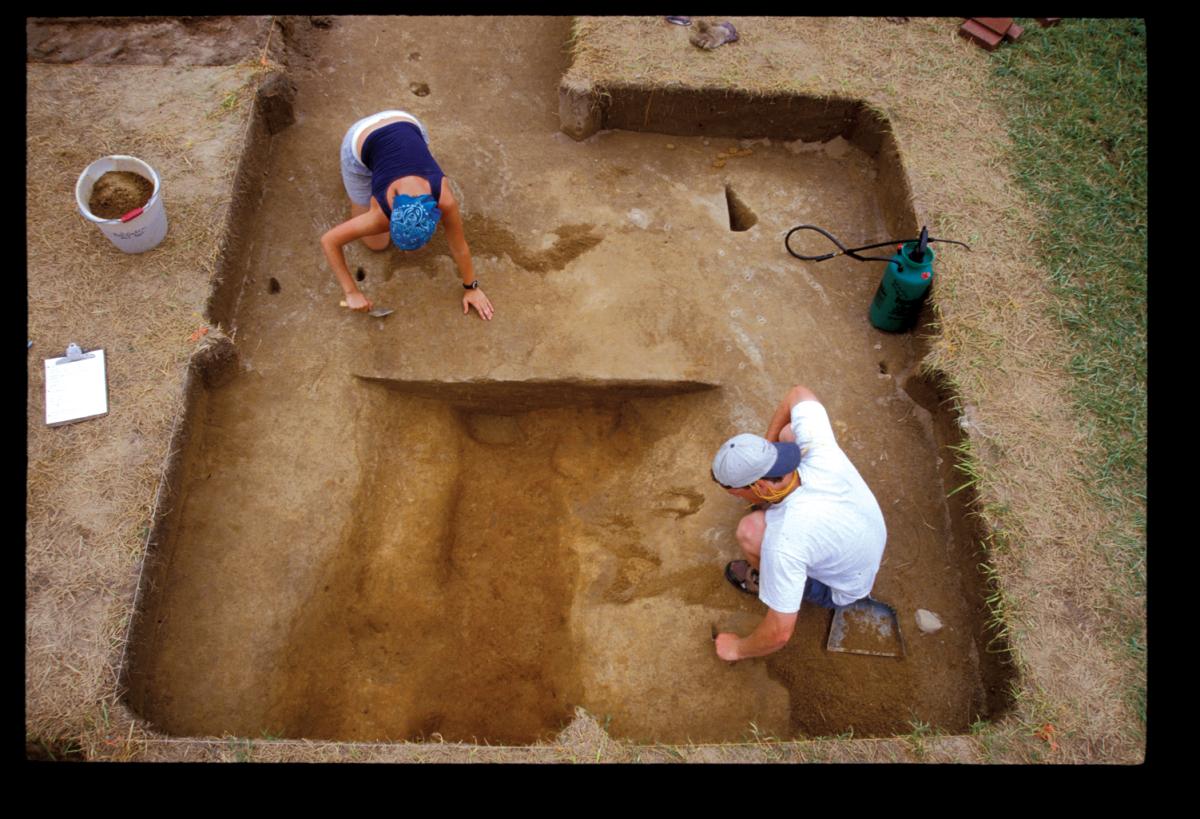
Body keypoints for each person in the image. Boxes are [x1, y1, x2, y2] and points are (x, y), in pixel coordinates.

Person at [709, 384, 887, 662]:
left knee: (750, 531)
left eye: (733, 490)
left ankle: (765, 581)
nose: (733, 494)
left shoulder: (786, 539)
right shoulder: (817, 448)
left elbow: (780, 632)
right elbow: (799, 394)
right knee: (789, 432)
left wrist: (735, 649)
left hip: (841, 589)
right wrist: (766, 450)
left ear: (760, 488)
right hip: (862, 537)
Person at [320, 109, 494, 320]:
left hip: (408, 123)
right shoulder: (379, 214)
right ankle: (367, 174)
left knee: (378, 237)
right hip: (360, 138)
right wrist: (351, 292)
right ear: (390, 218)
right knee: (376, 243)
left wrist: (472, 287)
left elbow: (460, 246)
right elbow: (329, 240)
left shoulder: (445, 200)